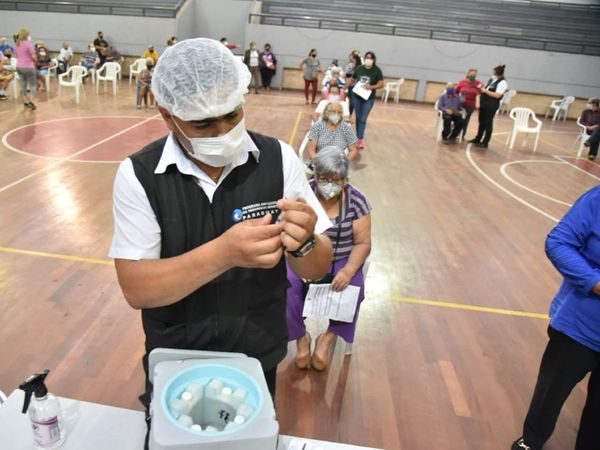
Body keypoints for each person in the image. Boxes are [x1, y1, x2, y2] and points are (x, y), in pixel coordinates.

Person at [108, 38, 333, 448]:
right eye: (203, 124)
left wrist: (302, 245)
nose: (223, 133)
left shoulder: (278, 159)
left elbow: (317, 267)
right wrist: (224, 253)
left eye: (232, 115)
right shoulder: (138, 176)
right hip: (176, 355)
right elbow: (136, 287)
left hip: (255, 353)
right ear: (167, 115)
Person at [511, 185, 600, 450]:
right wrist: (595, 282)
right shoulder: (597, 199)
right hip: (579, 327)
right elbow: (559, 243)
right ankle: (531, 440)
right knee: (550, 395)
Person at [286, 146, 372, 371]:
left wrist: (347, 270)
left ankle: (328, 338)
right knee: (286, 287)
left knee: (354, 289)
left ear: (345, 179)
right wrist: (303, 265)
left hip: (342, 257)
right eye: (324, 179)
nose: (330, 185)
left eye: (337, 180)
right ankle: (301, 337)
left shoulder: (357, 201)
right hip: (306, 254)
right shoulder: (302, 196)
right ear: (314, 176)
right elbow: (289, 233)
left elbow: (363, 243)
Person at [349, 51, 384, 149]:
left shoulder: (377, 71)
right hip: (357, 96)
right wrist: (344, 88)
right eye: (367, 57)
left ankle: (360, 139)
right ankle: (358, 135)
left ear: (373, 60)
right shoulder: (359, 69)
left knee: (363, 118)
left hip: (368, 99)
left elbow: (381, 84)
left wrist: (371, 87)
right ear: (364, 59)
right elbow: (352, 79)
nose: (369, 59)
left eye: (371, 58)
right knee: (358, 117)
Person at [468, 64, 508, 149]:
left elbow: (497, 95)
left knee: (488, 123)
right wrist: (481, 88)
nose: (493, 73)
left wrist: (485, 91)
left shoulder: (502, 83)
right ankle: (478, 138)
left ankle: (485, 142)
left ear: (498, 73)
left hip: (491, 106)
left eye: (494, 72)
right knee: (481, 122)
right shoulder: (492, 80)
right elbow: (486, 89)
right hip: (484, 104)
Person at [455, 68, 483, 138]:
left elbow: (481, 92)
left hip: (471, 105)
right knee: (457, 118)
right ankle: (455, 133)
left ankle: (462, 135)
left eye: (474, 74)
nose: (473, 75)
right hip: (461, 104)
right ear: (468, 74)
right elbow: (456, 92)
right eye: (471, 74)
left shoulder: (478, 83)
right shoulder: (462, 82)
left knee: (466, 120)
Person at [14, 28, 37, 110]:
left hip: (19, 66)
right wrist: (34, 60)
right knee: (33, 84)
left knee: (23, 84)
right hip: (28, 67)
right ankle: (31, 101)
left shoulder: (17, 44)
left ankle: (25, 102)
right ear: (26, 35)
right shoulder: (28, 44)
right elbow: (33, 56)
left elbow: (15, 56)